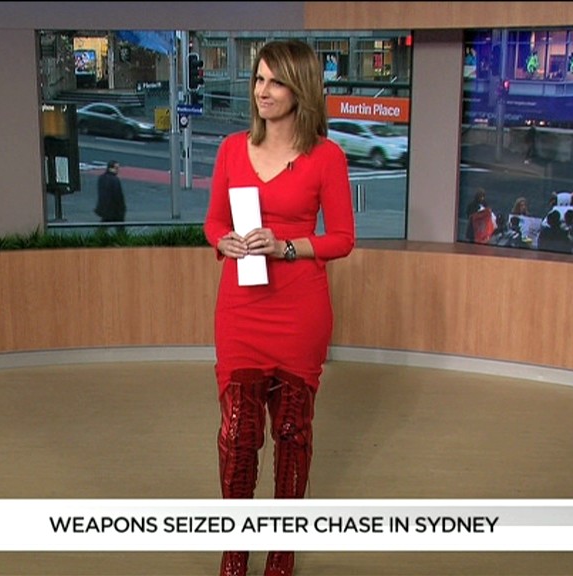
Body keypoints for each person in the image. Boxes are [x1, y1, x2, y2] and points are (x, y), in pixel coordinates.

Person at [203, 39, 355, 576]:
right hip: (241, 308)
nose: (262, 91)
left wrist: (287, 246)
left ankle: (281, 555)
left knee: (291, 434)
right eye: (259, 80)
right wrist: (222, 241)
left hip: (298, 310)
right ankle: (235, 552)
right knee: (238, 435)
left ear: (300, 89)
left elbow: (342, 238)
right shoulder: (230, 149)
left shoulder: (327, 157)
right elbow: (214, 221)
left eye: (275, 82)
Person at [94, 160, 125, 233]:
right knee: (120, 229)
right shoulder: (115, 180)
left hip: (105, 208)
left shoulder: (101, 178)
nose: (118, 170)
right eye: (116, 168)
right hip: (115, 210)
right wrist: (121, 208)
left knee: (103, 226)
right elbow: (118, 196)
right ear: (111, 168)